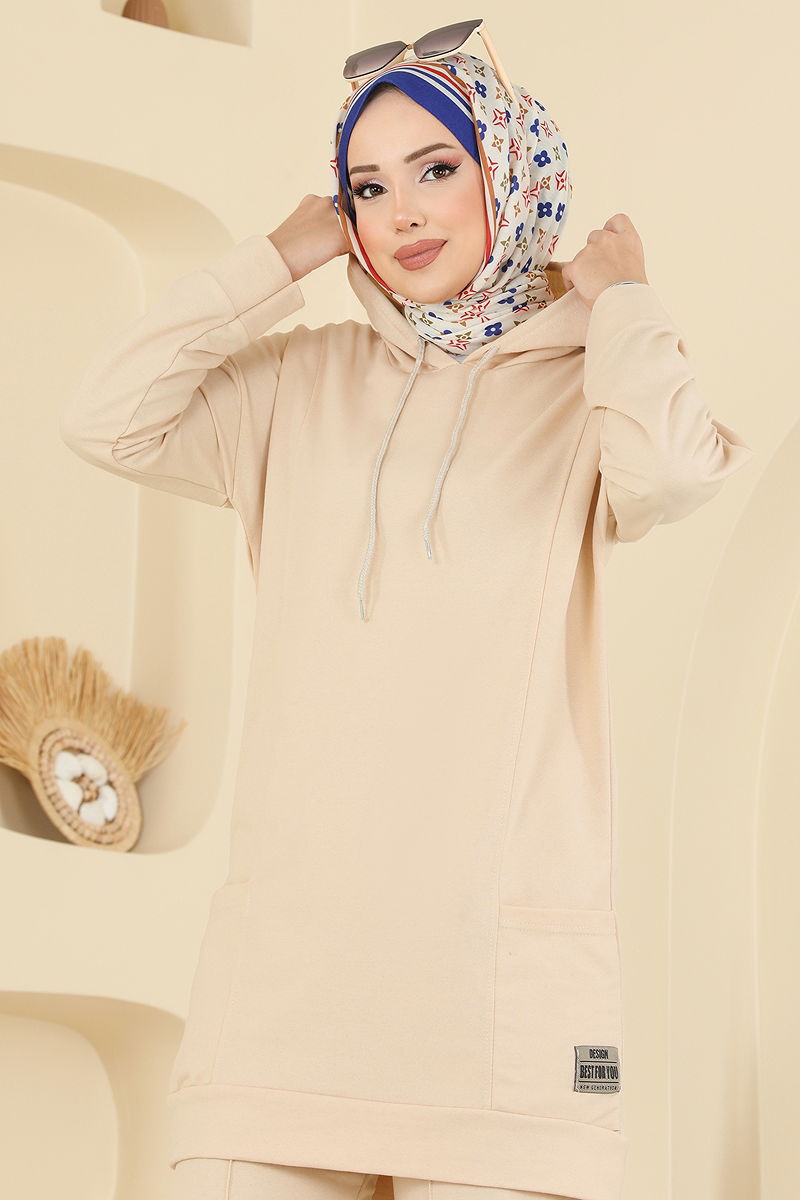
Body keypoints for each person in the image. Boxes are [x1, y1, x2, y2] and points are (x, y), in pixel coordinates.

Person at [60, 43, 754, 1200]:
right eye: (367, 186)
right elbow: (104, 416)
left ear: (511, 170)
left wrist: (624, 303)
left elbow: (672, 475)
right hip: (282, 1001)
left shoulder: (592, 382)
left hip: (500, 1002)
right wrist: (276, 257)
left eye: (435, 168)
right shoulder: (298, 381)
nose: (401, 213)